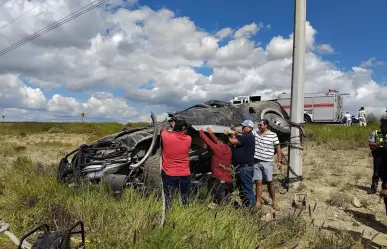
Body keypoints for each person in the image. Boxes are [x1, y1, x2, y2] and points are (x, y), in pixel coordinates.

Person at [160, 119, 192, 210]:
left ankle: (168, 213)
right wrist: (176, 127)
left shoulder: (166, 137)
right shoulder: (189, 139)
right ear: (184, 130)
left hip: (170, 174)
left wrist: (172, 127)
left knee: (169, 197)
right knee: (185, 196)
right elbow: (180, 135)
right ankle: (185, 212)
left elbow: (163, 129)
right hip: (185, 174)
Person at [199, 127, 233, 207]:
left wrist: (201, 131)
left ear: (220, 141)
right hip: (228, 179)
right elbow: (218, 141)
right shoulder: (229, 149)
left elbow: (207, 141)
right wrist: (211, 133)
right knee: (226, 200)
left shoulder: (216, 148)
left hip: (218, 179)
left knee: (219, 201)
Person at [227, 120, 256, 208]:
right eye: (242, 126)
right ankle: (247, 207)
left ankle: (251, 208)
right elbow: (236, 140)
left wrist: (226, 135)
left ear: (250, 128)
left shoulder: (247, 136)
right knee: (243, 190)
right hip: (242, 168)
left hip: (245, 168)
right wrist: (235, 133)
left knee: (247, 189)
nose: (242, 128)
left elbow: (233, 142)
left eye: (244, 127)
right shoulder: (246, 136)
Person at [368, 118, 387, 194]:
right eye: (385, 125)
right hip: (378, 155)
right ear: (382, 125)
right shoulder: (375, 133)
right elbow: (370, 144)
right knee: (376, 172)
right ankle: (374, 187)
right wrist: (380, 144)